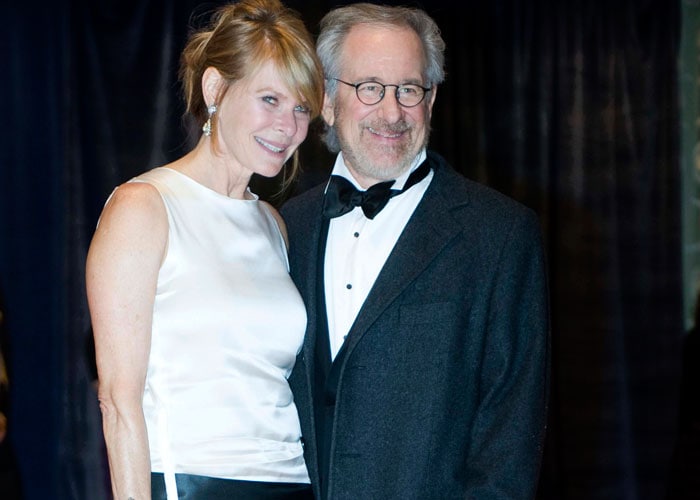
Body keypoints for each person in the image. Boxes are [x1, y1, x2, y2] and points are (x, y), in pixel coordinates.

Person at [280, 3, 550, 499]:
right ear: (327, 99)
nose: (391, 112)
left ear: (432, 98)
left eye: (409, 89)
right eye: (370, 88)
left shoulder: (500, 235)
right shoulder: (281, 229)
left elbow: (508, 446)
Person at [85, 1, 323, 498]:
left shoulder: (272, 225)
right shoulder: (144, 207)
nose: (289, 125)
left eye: (301, 107)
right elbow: (118, 403)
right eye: (270, 99)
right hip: (193, 480)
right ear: (216, 89)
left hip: (293, 481)